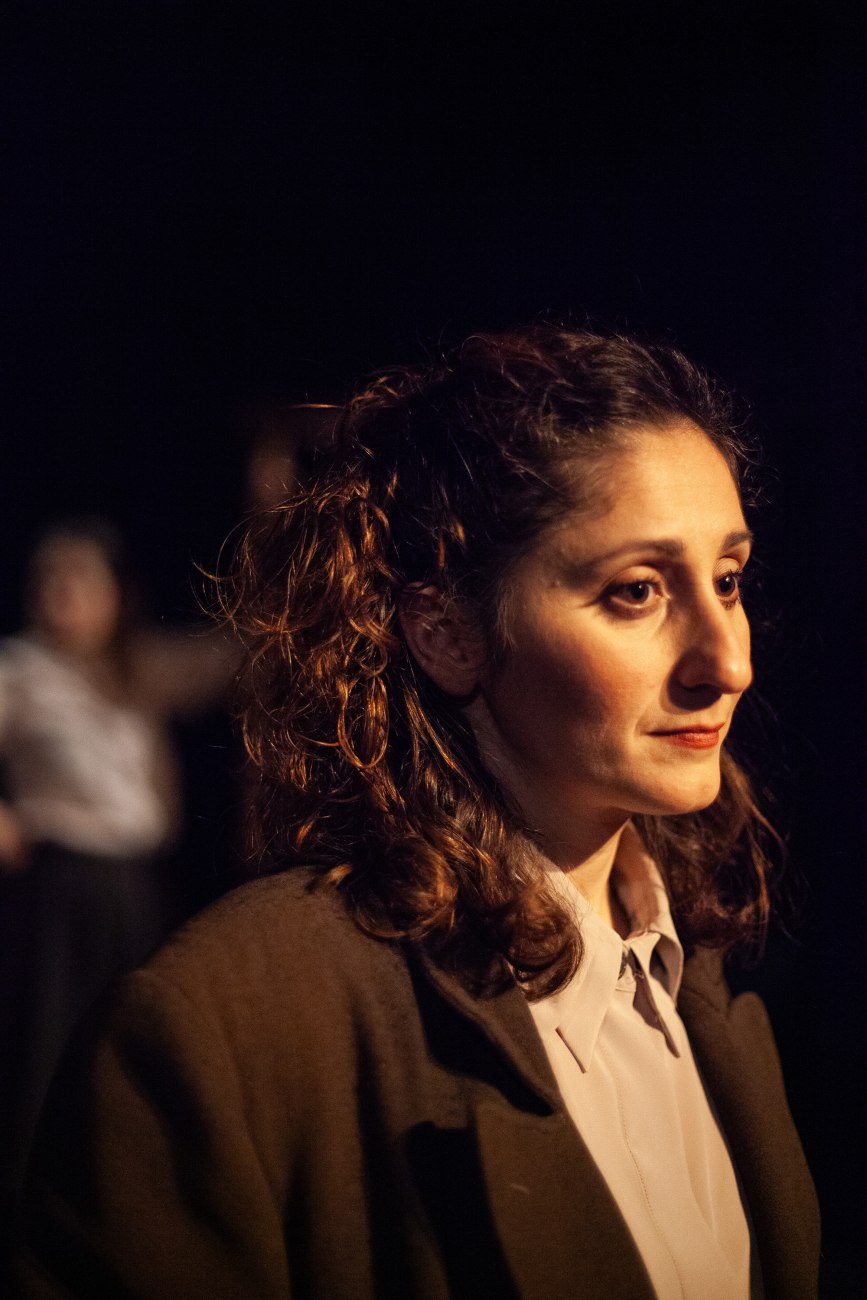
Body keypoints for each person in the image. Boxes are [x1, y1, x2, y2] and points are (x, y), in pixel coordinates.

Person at [16, 329, 819, 1299]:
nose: (728, 662)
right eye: (636, 591)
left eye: (727, 581)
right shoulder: (228, 1035)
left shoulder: (710, 998)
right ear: (446, 632)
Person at [0, 519, 236, 1236]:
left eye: (78, 578)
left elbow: (235, 656)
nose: (59, 593)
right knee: (48, 1047)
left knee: (134, 1041)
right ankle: (29, 1219)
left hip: (136, 887)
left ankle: (124, 1212)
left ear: (116, 594)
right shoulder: (20, 669)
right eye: (47, 578)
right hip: (60, 887)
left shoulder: (137, 669)